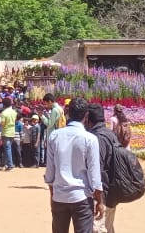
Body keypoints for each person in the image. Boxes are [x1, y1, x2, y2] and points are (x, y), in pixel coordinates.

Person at [44, 96, 104, 233]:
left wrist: (53, 194)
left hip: (59, 197)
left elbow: (50, 172)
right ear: (86, 116)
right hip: (82, 198)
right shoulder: (90, 139)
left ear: (68, 112)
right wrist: (99, 201)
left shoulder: (55, 136)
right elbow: (94, 176)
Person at [86, 103, 121, 233]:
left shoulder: (97, 137)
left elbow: (97, 169)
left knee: (98, 228)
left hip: (102, 193)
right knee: (108, 226)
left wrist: (98, 198)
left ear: (88, 119)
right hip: (113, 190)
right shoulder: (110, 134)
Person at [0, 97, 17, 171]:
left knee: (7, 149)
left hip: (6, 132)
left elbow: (2, 124)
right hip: (12, 131)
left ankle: (10, 165)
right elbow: (15, 121)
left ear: (4, 105)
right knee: (7, 149)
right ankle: (3, 164)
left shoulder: (4, 113)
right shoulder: (14, 112)